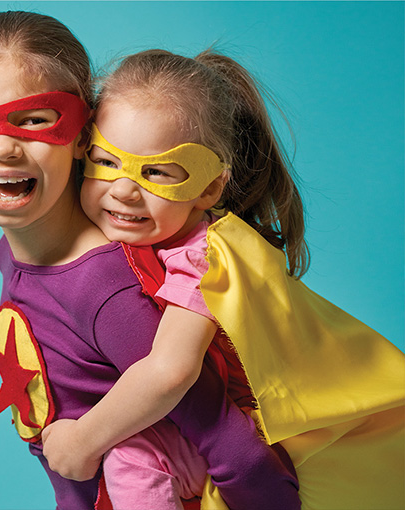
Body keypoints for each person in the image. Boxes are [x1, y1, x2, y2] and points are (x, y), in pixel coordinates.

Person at [0, 12, 301, 510]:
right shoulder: (17, 254)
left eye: (35, 119)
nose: (2, 147)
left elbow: (223, 437)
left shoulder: (103, 288)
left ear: (83, 135)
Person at [42, 49, 405, 509]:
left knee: (130, 455)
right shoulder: (116, 242)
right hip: (207, 432)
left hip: (267, 436)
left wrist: (83, 441)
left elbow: (171, 370)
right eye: (106, 161)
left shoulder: (207, 256)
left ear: (209, 188)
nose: (124, 190)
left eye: (156, 173)